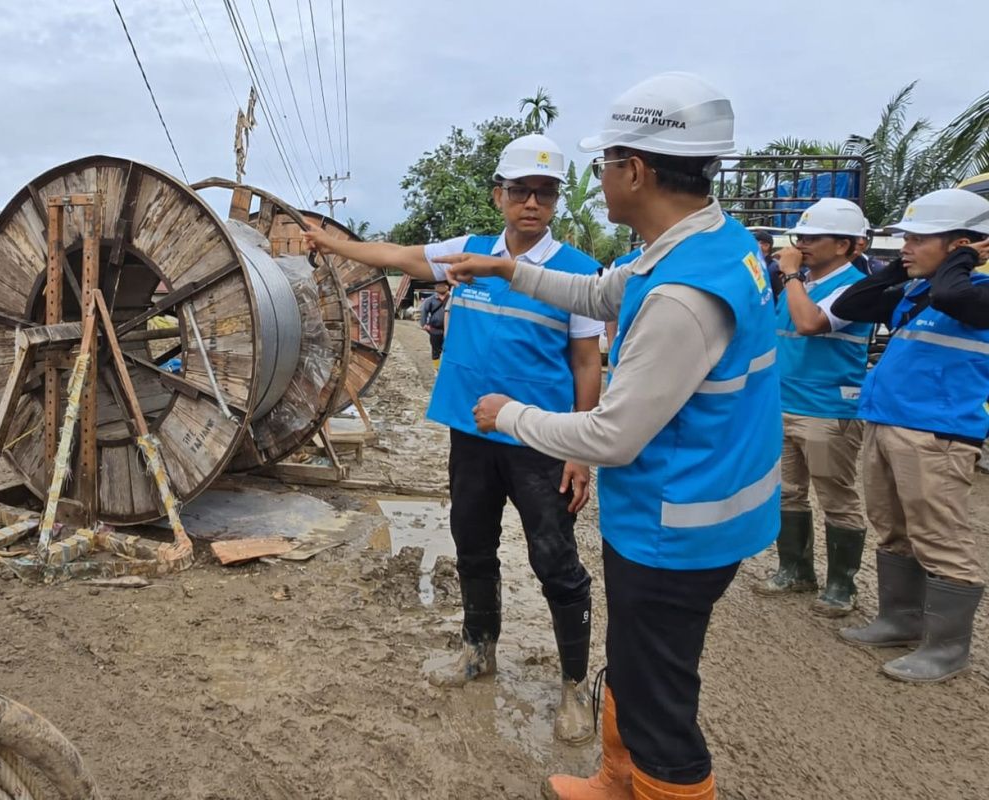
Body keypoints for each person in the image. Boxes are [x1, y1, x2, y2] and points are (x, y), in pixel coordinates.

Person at [439, 72, 779, 800]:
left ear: (636, 170)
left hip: (675, 525)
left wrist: (510, 417)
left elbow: (614, 434)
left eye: (603, 163)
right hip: (680, 507)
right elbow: (600, 293)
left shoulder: (685, 297)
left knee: (661, 707)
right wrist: (510, 270)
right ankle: (616, 779)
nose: (597, 178)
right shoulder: (702, 244)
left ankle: (652, 780)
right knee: (631, 666)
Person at [304, 133, 606, 744]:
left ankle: (574, 686)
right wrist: (334, 243)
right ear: (499, 195)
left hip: (540, 442)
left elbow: (586, 365)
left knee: (555, 561)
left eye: (544, 193)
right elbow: (395, 256)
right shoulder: (466, 253)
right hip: (472, 434)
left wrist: (580, 447)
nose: (532, 202)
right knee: (472, 544)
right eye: (520, 190)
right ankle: (479, 648)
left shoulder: (577, 273)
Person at [833, 188, 989, 683]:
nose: (905, 246)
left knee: (940, 538)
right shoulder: (920, 288)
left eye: (918, 239)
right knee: (892, 526)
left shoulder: (975, 292)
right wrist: (906, 267)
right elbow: (855, 303)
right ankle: (900, 620)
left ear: (962, 244)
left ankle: (946, 649)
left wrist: (961, 260)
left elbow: (954, 295)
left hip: (937, 436)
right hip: (888, 423)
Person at [753, 198, 873, 617]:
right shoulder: (798, 285)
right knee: (788, 491)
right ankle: (796, 568)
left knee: (835, 495)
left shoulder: (854, 287)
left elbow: (809, 324)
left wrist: (788, 274)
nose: (801, 244)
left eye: (812, 237)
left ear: (844, 245)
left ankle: (842, 584)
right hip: (783, 402)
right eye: (800, 236)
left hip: (826, 407)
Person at [418, 281, 450, 368]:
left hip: (450, 329)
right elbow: (424, 311)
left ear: (447, 286)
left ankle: (446, 368)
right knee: (436, 350)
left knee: (449, 350)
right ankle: (437, 368)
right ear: (435, 287)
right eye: (438, 285)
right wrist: (424, 324)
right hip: (435, 329)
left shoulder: (452, 299)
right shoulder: (431, 300)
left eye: (443, 285)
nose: (440, 287)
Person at [752, 229, 783, 297]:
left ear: (766, 246)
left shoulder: (774, 268)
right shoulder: (755, 265)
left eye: (756, 242)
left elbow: (780, 294)